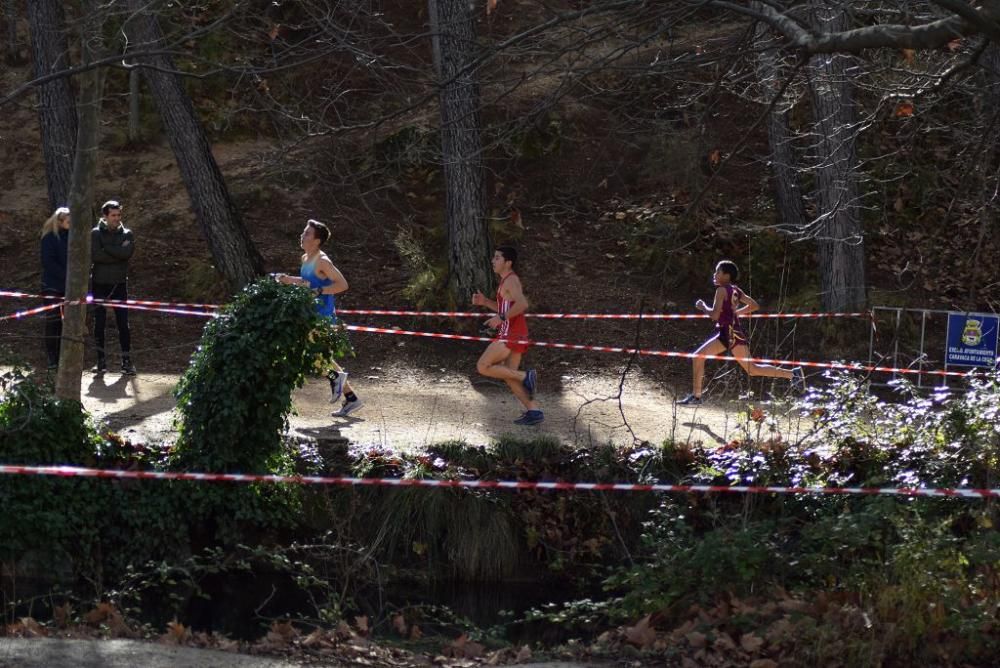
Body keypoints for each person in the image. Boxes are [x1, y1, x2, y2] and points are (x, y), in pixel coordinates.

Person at [678, 260, 804, 405]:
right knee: (752, 369)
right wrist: (736, 313)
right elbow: (754, 305)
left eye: (718, 271)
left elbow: (714, 316)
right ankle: (792, 374)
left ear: (726, 275)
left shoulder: (721, 290)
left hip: (728, 333)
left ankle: (696, 396)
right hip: (734, 333)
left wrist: (703, 306)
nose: (714, 274)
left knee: (699, 357)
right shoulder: (736, 290)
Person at [276, 219, 363, 417]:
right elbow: (308, 282)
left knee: (317, 356)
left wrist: (321, 290)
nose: (302, 235)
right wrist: (289, 280)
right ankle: (351, 398)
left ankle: (338, 381)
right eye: (303, 231)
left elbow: (342, 284)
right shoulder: (305, 258)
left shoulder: (323, 261)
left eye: (307, 233)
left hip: (322, 317)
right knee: (318, 357)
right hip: (311, 315)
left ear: (317, 241)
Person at [472, 245, 543, 425]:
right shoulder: (506, 282)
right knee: (508, 375)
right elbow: (507, 308)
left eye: (497, 258)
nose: (493, 261)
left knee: (483, 366)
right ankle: (534, 411)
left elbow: (522, 304)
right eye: (493, 257)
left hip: (511, 333)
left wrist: (501, 318)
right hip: (515, 333)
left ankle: (525, 376)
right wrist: (485, 302)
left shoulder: (511, 280)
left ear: (508, 263)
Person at [91, 200, 136, 375]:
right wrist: (117, 251)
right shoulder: (95, 234)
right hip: (100, 283)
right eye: (113, 215)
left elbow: (126, 254)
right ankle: (100, 361)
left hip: (119, 283)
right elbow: (96, 256)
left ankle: (126, 361)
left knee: (123, 323)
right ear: (105, 216)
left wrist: (107, 248)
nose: (117, 218)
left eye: (119, 215)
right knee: (99, 322)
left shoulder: (127, 233)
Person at [40, 207, 71, 369]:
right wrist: (67, 277)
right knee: (53, 322)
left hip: (69, 289)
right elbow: (48, 262)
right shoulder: (49, 238)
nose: (70, 223)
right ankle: (53, 358)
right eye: (68, 220)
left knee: (68, 323)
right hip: (52, 287)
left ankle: (65, 357)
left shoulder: (72, 238)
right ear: (59, 221)